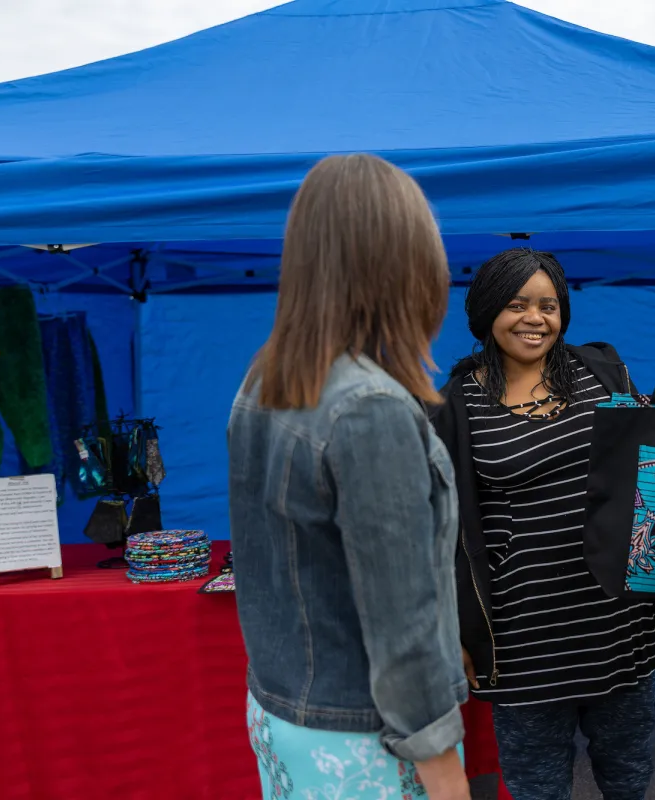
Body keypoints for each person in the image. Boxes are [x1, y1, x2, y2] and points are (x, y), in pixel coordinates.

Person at [227, 154, 470, 800]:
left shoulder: (265, 379)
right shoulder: (370, 408)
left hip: (283, 715)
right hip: (363, 739)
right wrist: (445, 770)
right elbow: (403, 618)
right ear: (403, 261)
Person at [431, 248, 655, 800]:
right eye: (517, 304)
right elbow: (440, 531)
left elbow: (652, 466)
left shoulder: (602, 371)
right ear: (487, 311)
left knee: (628, 767)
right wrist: (456, 628)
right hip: (523, 634)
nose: (535, 319)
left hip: (615, 619)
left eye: (548, 306)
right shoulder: (454, 406)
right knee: (537, 781)